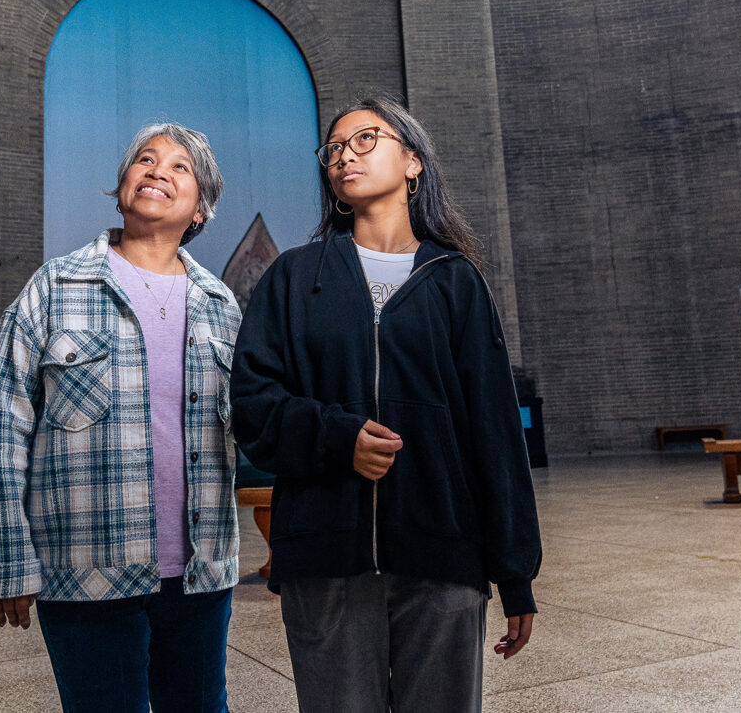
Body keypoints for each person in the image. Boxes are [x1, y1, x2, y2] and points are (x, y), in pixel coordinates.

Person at [230, 95, 542, 713]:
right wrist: (335, 437)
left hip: (442, 553)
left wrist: (516, 574)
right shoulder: (295, 277)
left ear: (413, 162)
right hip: (326, 556)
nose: (345, 155)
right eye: (334, 149)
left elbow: (495, 433)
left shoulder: (455, 280)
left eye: (365, 139)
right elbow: (252, 404)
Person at [0, 123, 242, 713]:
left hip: (200, 573)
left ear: (201, 207)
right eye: (144, 159)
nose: (158, 170)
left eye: (180, 166)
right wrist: (6, 558)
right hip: (85, 569)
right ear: (120, 189)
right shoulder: (54, 288)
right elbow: (2, 426)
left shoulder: (221, 305)